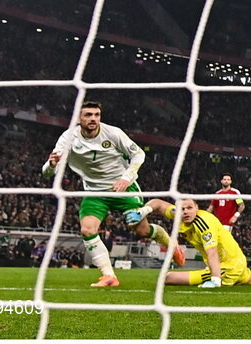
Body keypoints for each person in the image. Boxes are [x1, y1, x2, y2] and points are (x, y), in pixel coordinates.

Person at [42, 101, 183, 287]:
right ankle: (109, 275)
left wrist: (126, 178)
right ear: (78, 118)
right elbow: (48, 172)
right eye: (88, 115)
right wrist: (51, 165)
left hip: (123, 188)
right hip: (94, 192)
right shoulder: (68, 138)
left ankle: (168, 241)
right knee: (87, 229)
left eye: (96, 115)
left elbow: (139, 154)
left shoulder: (113, 133)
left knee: (141, 231)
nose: (93, 119)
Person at [126, 199, 251, 288]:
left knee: (167, 278)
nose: (185, 211)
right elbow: (158, 203)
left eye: (190, 208)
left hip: (226, 267)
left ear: (198, 208)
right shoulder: (180, 214)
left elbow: (212, 252)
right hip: (238, 261)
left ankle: (215, 278)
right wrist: (143, 211)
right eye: (182, 209)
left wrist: (215, 279)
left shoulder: (203, 223)